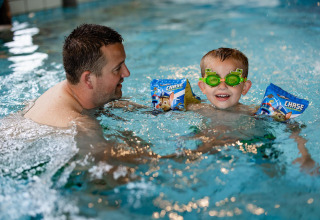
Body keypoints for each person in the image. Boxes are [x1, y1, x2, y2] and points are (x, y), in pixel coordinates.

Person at [185, 47, 318, 175]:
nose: (222, 86)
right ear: (203, 87)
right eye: (213, 79)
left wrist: (305, 155)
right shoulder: (198, 109)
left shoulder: (254, 112)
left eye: (232, 80)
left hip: (253, 148)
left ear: (244, 87)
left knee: (271, 171)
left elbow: (294, 127)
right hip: (211, 150)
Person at [24, 24, 130, 128]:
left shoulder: (72, 90)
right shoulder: (79, 127)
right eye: (117, 69)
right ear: (88, 79)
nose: (127, 73)